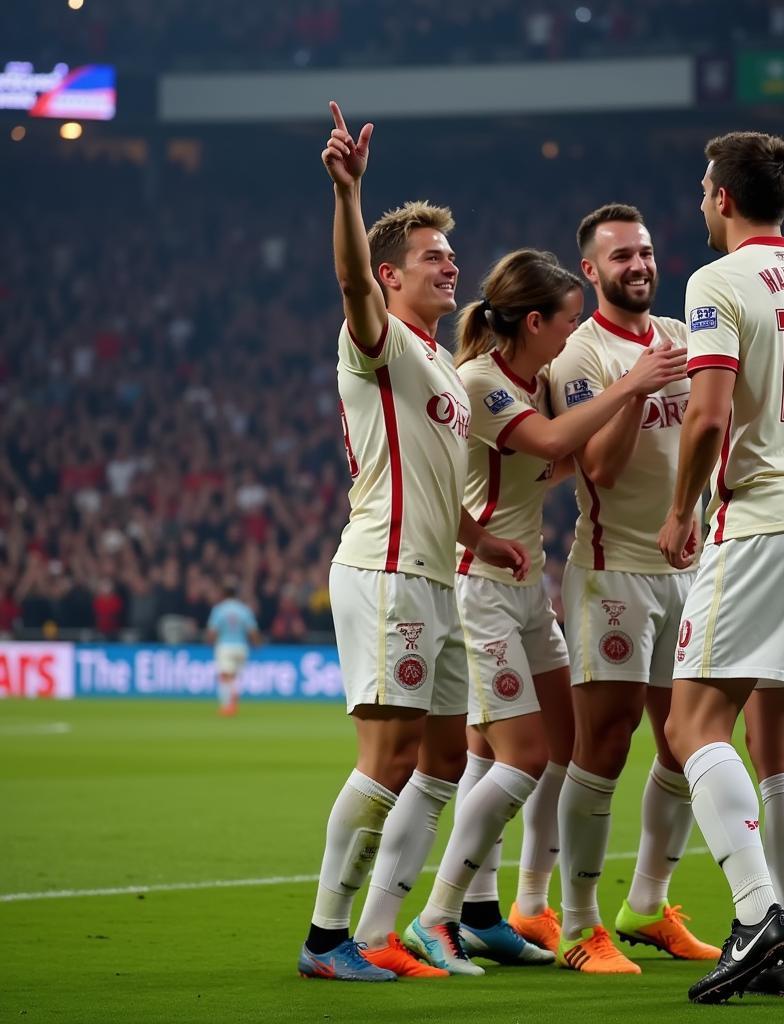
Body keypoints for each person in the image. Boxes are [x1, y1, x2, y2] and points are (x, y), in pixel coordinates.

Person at [402, 248, 690, 973]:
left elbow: (557, 464)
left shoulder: (529, 379)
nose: (575, 334)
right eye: (567, 321)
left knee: (560, 746)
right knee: (525, 757)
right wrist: (631, 384)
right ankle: (434, 918)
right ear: (534, 322)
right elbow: (555, 442)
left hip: (524, 584)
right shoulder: (482, 381)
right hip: (481, 593)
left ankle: (503, 910)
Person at [297, 101, 530, 983]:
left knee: (440, 758)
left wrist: (481, 534)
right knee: (390, 758)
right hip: (386, 572)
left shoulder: (437, 364)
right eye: (433, 256)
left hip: (435, 574)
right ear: (392, 276)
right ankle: (327, 937)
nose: (451, 264)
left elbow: (432, 479)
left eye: (450, 254)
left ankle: (386, 929)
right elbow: (352, 283)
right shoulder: (380, 339)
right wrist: (349, 195)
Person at [657, 131, 784, 1003]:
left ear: (724, 197)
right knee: (779, 744)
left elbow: (706, 417)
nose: (703, 202)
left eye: (706, 190)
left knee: (691, 725)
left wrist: (680, 510)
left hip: (765, 522)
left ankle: (757, 915)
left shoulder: (718, 281)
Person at [546, 204, 721, 974]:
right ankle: (581, 925)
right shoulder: (579, 358)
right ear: (592, 270)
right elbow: (604, 470)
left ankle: (647, 905)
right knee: (606, 746)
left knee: (687, 743)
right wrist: (640, 386)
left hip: (693, 566)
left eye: (645, 252)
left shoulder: (688, 336)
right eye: (621, 257)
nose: (639, 266)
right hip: (614, 570)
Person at [205, 579, 259, 716]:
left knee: (225, 676)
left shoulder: (219, 609)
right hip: (241, 647)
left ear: (223, 593)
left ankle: (228, 705)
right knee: (233, 676)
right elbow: (252, 631)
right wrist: (257, 644)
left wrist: (209, 642)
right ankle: (232, 701)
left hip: (225, 647)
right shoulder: (244, 609)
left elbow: (212, 632)